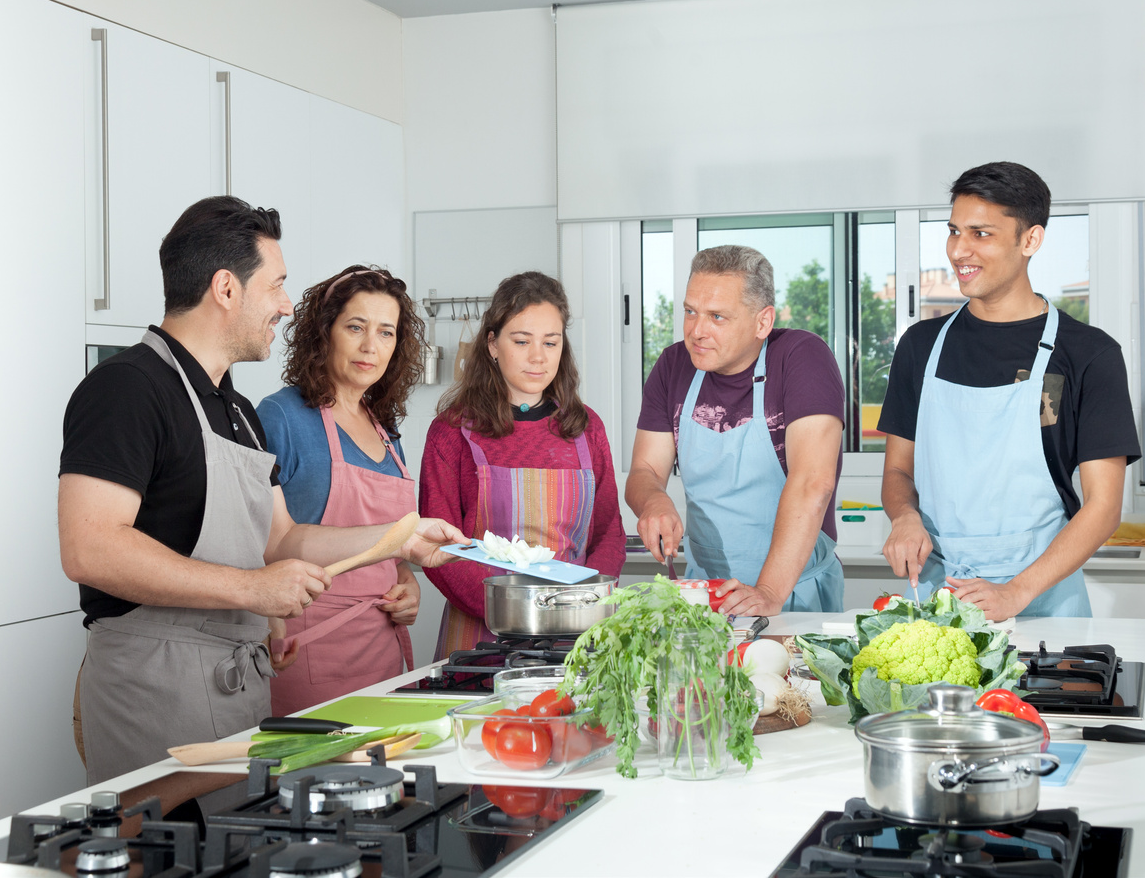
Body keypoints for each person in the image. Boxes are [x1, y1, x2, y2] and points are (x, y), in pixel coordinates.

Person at [58, 197, 467, 784]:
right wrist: (253, 590)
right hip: (155, 685)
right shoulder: (126, 389)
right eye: (275, 285)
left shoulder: (237, 411)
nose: (285, 304)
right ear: (227, 288)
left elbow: (284, 538)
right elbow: (89, 548)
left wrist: (402, 538)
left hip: (239, 683)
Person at [877, 162, 1140, 621]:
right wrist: (904, 516)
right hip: (940, 596)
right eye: (954, 231)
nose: (959, 250)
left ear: (1030, 240)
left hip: (1042, 597)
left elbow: (1103, 507)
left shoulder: (1088, 354)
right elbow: (899, 472)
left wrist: (1016, 593)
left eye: (981, 234)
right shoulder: (921, 347)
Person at [628, 245, 846, 616]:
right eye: (690, 312)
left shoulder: (800, 357)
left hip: (791, 593)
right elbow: (644, 471)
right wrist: (654, 501)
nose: (697, 331)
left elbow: (814, 481)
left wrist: (769, 592)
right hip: (706, 594)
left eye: (717, 317)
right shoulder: (673, 365)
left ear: (763, 322)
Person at [419, 272, 627, 656]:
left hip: (575, 637)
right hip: (482, 639)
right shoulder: (450, 433)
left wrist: (582, 604)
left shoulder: (587, 429)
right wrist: (521, 613)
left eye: (551, 342)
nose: (538, 357)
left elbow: (608, 533)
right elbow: (439, 549)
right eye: (521, 341)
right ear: (493, 344)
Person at [256, 266, 426, 714]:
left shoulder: (385, 428)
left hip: (383, 653)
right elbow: (253, 544)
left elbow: (389, 546)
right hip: (309, 648)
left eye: (386, 332)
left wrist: (405, 582)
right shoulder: (281, 417)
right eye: (356, 327)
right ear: (324, 332)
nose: (372, 346)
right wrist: (271, 627)